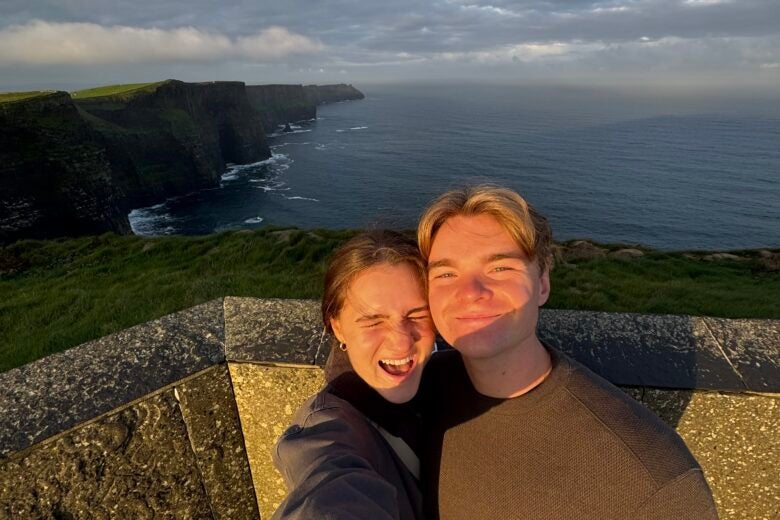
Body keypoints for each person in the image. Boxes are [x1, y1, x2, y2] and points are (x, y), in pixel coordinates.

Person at [417, 185, 718, 519]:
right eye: (446, 273)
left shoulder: (652, 475)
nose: (470, 292)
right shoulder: (414, 395)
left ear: (543, 282)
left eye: (500, 268)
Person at [272, 230, 435, 519]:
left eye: (417, 315)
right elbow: (327, 487)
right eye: (373, 321)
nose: (400, 341)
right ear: (337, 327)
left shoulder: (447, 381)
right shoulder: (326, 428)